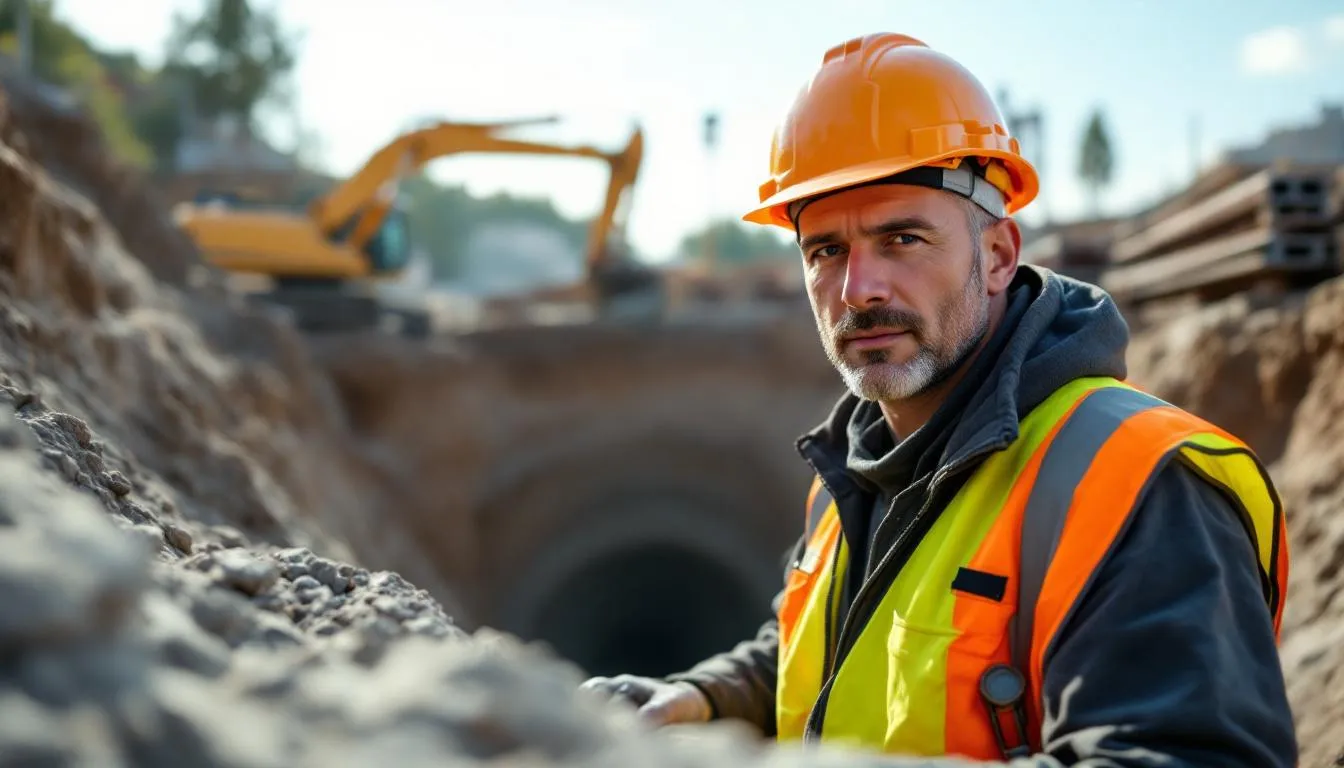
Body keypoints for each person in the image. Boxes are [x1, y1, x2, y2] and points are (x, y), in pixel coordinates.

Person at [580, 32, 1296, 766]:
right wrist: (701, 697)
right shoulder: (852, 474)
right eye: (826, 251)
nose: (859, 290)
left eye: (902, 240)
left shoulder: (1133, 484)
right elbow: (820, 653)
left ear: (997, 256)